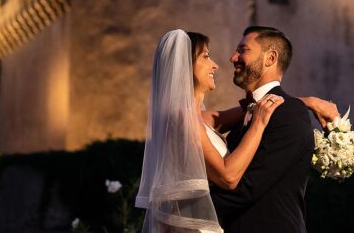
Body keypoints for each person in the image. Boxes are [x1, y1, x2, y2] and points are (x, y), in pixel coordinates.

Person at [135, 29, 337, 232]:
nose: (219, 63)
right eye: (205, 56)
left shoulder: (202, 118)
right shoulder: (182, 118)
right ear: (184, 67)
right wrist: (258, 123)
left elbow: (254, 109)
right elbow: (229, 178)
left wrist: (308, 102)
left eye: (243, 50)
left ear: (271, 58)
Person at [210, 26, 312, 232]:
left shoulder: (290, 113)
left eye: (243, 50)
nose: (232, 57)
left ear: (270, 58)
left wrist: (187, 211)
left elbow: (248, 188)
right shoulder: (248, 114)